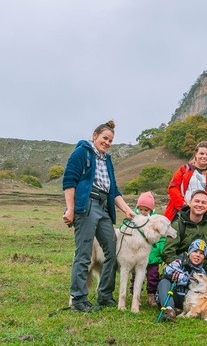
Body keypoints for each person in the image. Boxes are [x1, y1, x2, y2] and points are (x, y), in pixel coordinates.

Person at [62, 120, 135, 313]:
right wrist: (70, 209)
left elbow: (114, 190)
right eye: (105, 138)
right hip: (86, 205)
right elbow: (69, 180)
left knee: (112, 251)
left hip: (104, 207)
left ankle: (104, 295)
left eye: (110, 140)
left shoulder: (107, 159)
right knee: (84, 253)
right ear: (95, 136)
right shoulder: (82, 152)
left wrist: (126, 209)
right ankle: (79, 299)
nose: (107, 142)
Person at [161, 189, 207, 281]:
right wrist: (183, 264)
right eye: (197, 201)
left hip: (203, 265)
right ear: (189, 203)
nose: (200, 205)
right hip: (182, 266)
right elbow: (168, 253)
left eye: (203, 202)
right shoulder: (178, 225)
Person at [165, 141, 207, 221]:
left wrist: (206, 214)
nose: (204, 156)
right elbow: (173, 188)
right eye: (201, 153)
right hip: (178, 214)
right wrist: (183, 207)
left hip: (200, 217)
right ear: (196, 154)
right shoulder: (184, 170)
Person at [157, 238, 207, 321]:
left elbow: (202, 287)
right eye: (195, 251)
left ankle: (181, 310)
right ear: (190, 252)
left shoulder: (202, 273)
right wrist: (186, 278)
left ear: (204, 257)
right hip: (174, 294)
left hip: (187, 300)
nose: (198, 255)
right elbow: (168, 271)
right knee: (164, 282)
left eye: (201, 253)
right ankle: (169, 309)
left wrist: (185, 279)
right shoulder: (179, 262)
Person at [133, 191, 167, 306]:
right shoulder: (133, 221)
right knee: (136, 276)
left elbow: (162, 237)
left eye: (146, 210)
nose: (143, 212)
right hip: (138, 256)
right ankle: (135, 295)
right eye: (140, 209)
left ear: (151, 211)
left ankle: (151, 295)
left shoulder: (156, 222)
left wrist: (160, 250)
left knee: (153, 276)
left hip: (152, 256)